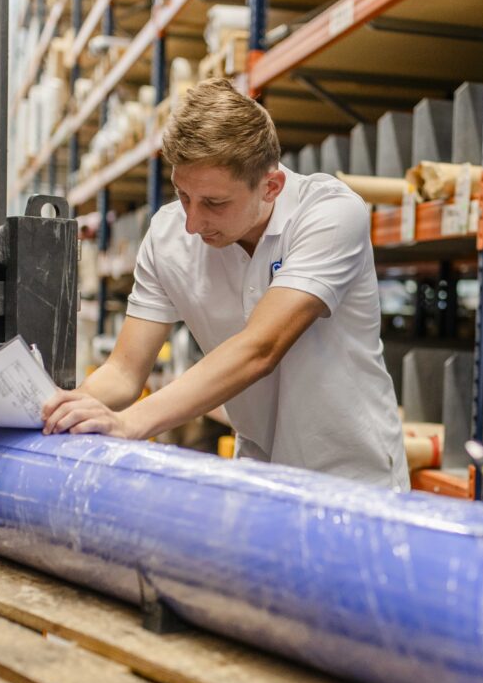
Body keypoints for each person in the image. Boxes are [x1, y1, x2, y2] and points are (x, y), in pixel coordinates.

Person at [42, 79, 409, 490]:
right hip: (256, 471)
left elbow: (260, 348)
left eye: (214, 203)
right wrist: (66, 411)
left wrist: (130, 423)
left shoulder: (330, 214)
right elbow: (125, 371)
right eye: (183, 196)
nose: (192, 223)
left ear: (271, 186)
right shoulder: (167, 237)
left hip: (353, 476)